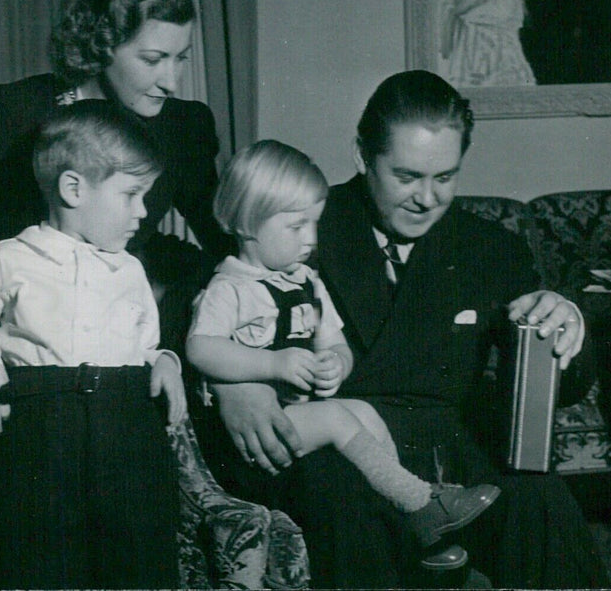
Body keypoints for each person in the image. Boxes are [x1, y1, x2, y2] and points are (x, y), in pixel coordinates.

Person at [196, 71, 611, 588]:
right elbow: (216, 300)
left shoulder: (490, 247)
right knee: (344, 506)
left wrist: (566, 327)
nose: (427, 199)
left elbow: (564, 389)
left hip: (449, 444)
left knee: (539, 499)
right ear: (363, 158)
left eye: (445, 178)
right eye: (407, 177)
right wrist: (237, 384)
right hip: (339, 449)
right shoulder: (303, 224)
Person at [0, 0, 232, 586]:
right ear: (99, 45)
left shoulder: (185, 129)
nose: (172, 78)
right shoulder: (13, 115)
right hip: (19, 319)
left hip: (127, 327)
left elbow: (228, 246)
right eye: (153, 58)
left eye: (182, 57)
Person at [187, 140, 500, 571]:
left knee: (366, 414)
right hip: (255, 437)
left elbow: (333, 339)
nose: (311, 239)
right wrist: (273, 365)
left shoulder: (306, 282)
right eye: (296, 227)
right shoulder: (230, 288)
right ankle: (421, 505)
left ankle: (415, 515)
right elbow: (200, 348)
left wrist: (338, 362)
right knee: (338, 420)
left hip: (299, 418)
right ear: (246, 223)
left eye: (314, 224)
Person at [0, 101, 186, 589]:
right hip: (40, 429)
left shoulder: (130, 270)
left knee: (131, 556)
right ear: (74, 189)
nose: (143, 212)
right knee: (36, 554)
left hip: (122, 426)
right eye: (132, 195)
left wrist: (166, 363)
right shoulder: (11, 258)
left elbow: (144, 345)